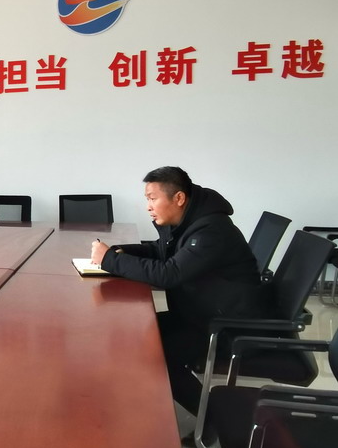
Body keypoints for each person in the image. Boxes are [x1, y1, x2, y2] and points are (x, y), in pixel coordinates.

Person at [89, 166, 267, 419]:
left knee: (155, 356)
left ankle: (212, 422)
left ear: (179, 198)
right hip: (198, 313)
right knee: (136, 336)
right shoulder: (189, 222)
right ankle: (148, 407)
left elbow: (169, 273)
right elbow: (162, 252)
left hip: (224, 326)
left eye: (152, 199)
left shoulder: (211, 231)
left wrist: (110, 260)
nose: (148, 207)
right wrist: (120, 252)